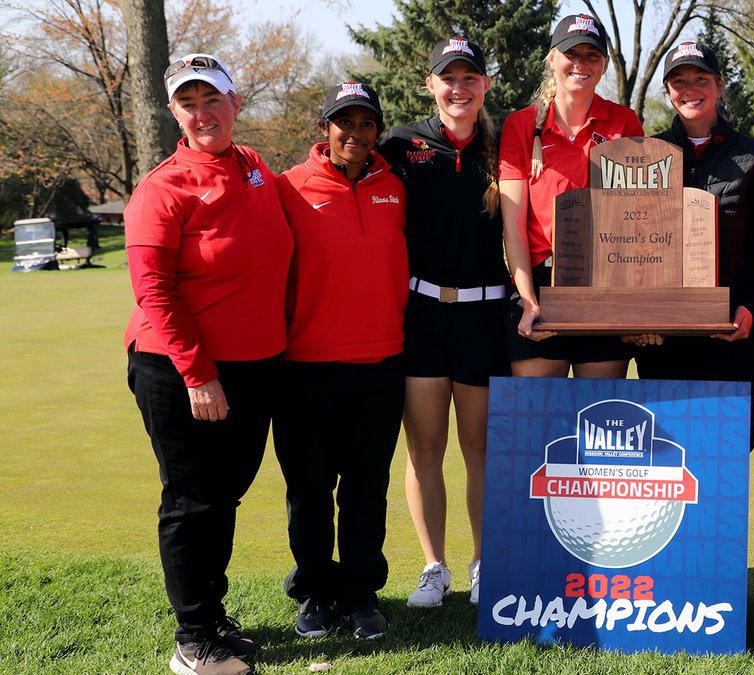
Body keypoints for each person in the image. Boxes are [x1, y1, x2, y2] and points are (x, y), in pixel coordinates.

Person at [125, 53, 291, 675]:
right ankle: (193, 641)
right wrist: (198, 374)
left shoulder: (251, 166)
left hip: (254, 366)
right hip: (181, 371)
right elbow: (154, 292)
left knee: (224, 498)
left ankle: (213, 618)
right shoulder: (162, 187)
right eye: (188, 103)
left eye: (212, 99)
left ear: (235, 102)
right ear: (174, 112)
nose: (202, 113)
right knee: (193, 500)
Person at [271, 82, 408, 641]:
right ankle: (314, 591)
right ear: (323, 130)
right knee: (308, 488)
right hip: (306, 365)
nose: (355, 133)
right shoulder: (288, 188)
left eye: (366, 123)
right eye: (343, 123)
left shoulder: (395, 186)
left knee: (365, 486)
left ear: (378, 130)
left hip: (381, 361)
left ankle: (359, 593)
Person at [377, 37, 508, 609]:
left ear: (485, 85)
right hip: (422, 313)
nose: (460, 88)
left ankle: (484, 564)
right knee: (424, 449)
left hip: (486, 315)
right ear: (430, 84)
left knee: (479, 449)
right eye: (447, 78)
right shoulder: (401, 145)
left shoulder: (504, 146)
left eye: (470, 78)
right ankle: (435, 566)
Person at [633, 41, 754, 440]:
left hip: (729, 329)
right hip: (662, 335)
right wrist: (636, 316)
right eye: (679, 81)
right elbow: (634, 243)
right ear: (668, 90)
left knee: (725, 447)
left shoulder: (752, 155)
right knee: (663, 448)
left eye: (700, 78)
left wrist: (749, 306)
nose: (690, 88)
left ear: (719, 84)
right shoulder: (648, 153)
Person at [498, 13, 644, 378]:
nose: (580, 64)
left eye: (591, 55)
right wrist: (529, 301)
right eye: (570, 53)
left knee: (598, 424)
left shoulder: (624, 122)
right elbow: (513, 229)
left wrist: (633, 303)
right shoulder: (520, 125)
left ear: (605, 64)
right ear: (551, 58)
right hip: (540, 288)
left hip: (604, 289)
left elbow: (637, 221)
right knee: (536, 426)